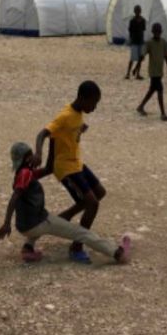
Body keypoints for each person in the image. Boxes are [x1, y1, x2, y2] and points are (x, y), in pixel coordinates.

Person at [0, 141, 131, 264]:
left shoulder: (24, 173)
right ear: (27, 158)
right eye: (32, 155)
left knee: (48, 220)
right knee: (81, 233)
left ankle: (28, 248)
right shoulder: (26, 174)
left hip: (25, 225)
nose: (35, 157)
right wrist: (6, 223)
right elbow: (14, 197)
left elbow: (49, 168)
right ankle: (117, 253)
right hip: (38, 223)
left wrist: (53, 142)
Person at [31, 81, 106, 263]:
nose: (94, 108)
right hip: (65, 167)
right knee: (92, 204)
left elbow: (63, 135)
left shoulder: (78, 113)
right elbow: (43, 134)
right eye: (93, 103)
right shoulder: (65, 115)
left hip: (76, 163)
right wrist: (39, 154)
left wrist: (80, 130)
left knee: (100, 192)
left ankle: (66, 216)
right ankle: (76, 246)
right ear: (82, 98)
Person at [136, 23, 167, 121]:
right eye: (156, 31)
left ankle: (141, 106)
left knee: (152, 90)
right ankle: (163, 113)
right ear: (153, 32)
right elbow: (142, 55)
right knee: (160, 89)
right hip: (153, 72)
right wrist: (137, 68)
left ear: (161, 32)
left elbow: (166, 56)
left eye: (159, 31)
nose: (157, 33)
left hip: (159, 71)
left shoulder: (163, 42)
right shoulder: (149, 43)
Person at [125, 5, 147, 79]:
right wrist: (131, 40)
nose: (137, 12)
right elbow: (130, 31)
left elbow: (143, 30)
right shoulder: (132, 21)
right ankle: (128, 73)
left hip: (140, 41)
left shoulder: (142, 20)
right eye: (136, 10)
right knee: (132, 58)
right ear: (135, 11)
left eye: (138, 10)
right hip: (135, 41)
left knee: (141, 58)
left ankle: (137, 73)